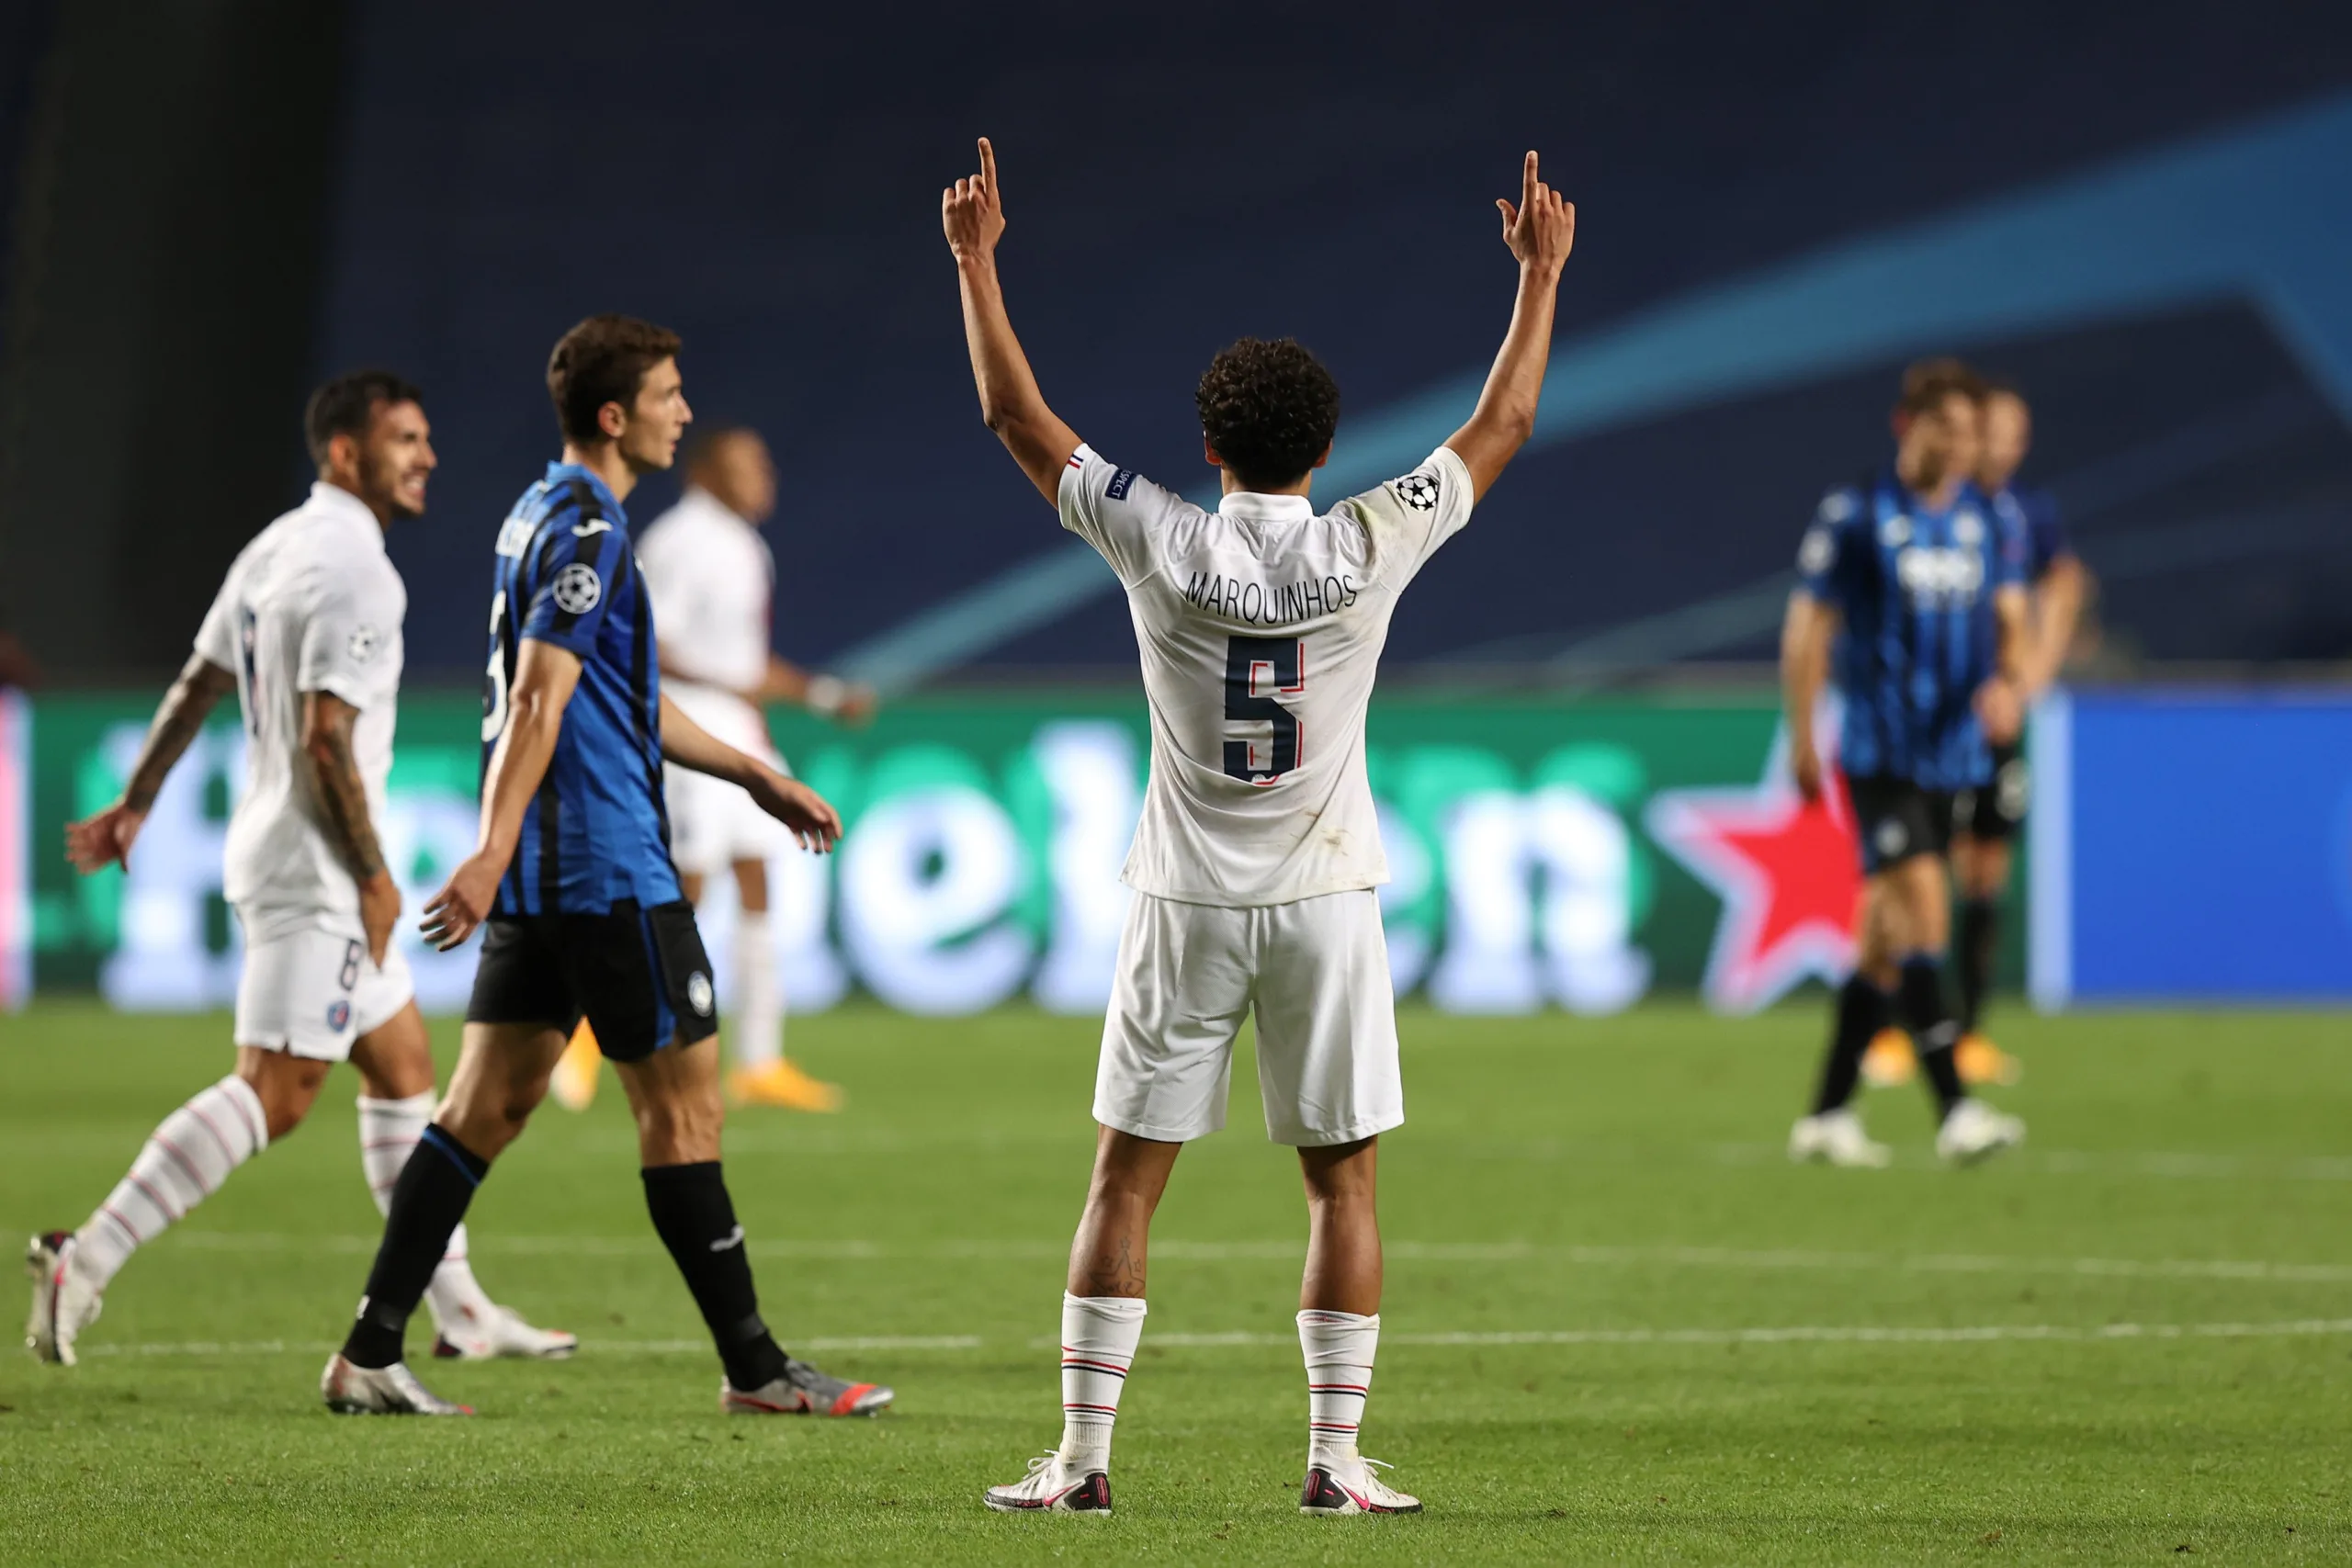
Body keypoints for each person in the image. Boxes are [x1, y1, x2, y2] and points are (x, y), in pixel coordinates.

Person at [944, 139, 1573, 1517]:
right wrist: (1537, 281)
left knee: (1126, 1177)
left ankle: (1084, 1457)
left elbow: (1013, 413)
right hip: (1326, 896)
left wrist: (978, 259)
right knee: (1340, 1186)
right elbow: (1504, 427)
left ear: (1211, 447)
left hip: (1181, 894)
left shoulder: (1160, 539)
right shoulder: (1370, 540)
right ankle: (1336, 1460)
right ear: (1329, 449)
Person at [315, 316, 891, 1419]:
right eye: (670, 394)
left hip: (546, 877)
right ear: (618, 416)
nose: (685, 409)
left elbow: (613, 690)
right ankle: (758, 1368)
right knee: (685, 1115)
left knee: (483, 1107)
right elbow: (538, 692)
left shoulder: (538, 511)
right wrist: (486, 851)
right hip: (605, 866)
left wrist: (748, 774)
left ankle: (370, 1351)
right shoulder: (589, 530)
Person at [29, 371, 571, 1367]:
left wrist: (139, 799)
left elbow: (200, 679)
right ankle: (87, 1255)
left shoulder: (275, 546)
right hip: (317, 873)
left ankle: (460, 1312)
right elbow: (327, 739)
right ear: (345, 453)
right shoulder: (358, 571)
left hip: (278, 848)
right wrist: (371, 876)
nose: (427, 458)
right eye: (405, 439)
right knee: (275, 1092)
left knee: (407, 1071)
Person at [547, 425, 874, 1115]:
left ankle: (761, 1060)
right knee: (682, 889)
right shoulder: (681, 540)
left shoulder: (744, 544)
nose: (765, 475)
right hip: (689, 724)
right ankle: (584, 1029)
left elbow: (745, 663)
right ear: (705, 472)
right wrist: (725, 687)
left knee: (759, 876)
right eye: (747, 463)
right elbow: (642, 641)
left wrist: (821, 695)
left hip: (733, 721)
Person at [1783, 359, 2030, 1169]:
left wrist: (2009, 685)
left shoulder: (1981, 520)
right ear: (1908, 426)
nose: (1959, 447)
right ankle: (1956, 1113)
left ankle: (1824, 1116)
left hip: (1952, 755)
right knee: (1926, 910)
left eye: (1969, 434)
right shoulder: (1857, 515)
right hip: (1880, 753)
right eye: (1945, 430)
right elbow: (1809, 627)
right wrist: (1803, 731)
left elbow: (2009, 619)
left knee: (1882, 941)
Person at [1947, 378, 2084, 1077]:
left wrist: (2028, 680)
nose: (2002, 442)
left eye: (2014, 430)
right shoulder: (1941, 505)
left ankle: (1966, 1030)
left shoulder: (2029, 512)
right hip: (1936, 717)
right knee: (1908, 875)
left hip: (1997, 716)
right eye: (1991, 427)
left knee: (1985, 868)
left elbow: (2062, 584)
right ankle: (1889, 1028)